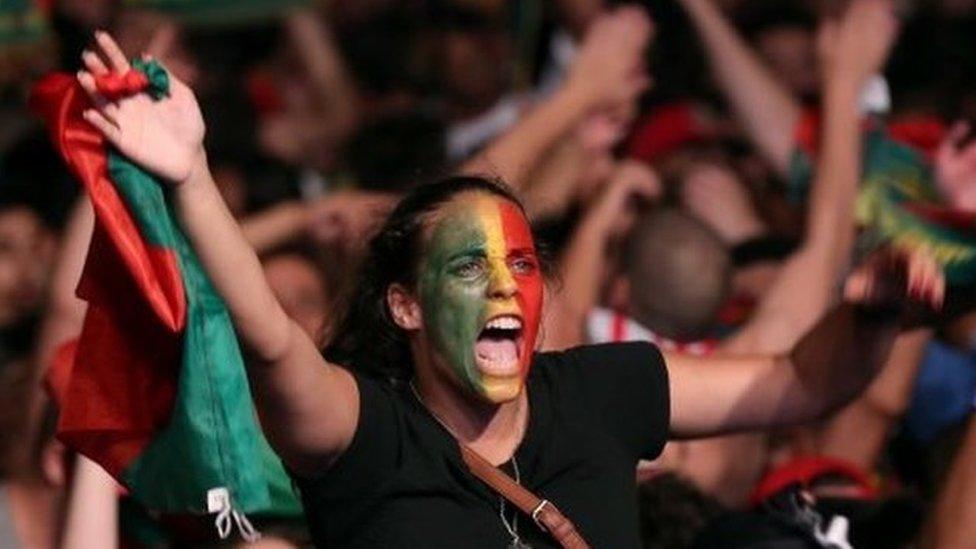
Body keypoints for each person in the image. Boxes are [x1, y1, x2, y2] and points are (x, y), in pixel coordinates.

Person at [73, 17, 938, 547]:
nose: (504, 287)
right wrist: (191, 176)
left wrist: (869, 320)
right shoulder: (368, 433)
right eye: (468, 265)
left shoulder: (600, 392)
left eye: (522, 263)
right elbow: (266, 333)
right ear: (404, 305)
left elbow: (796, 379)